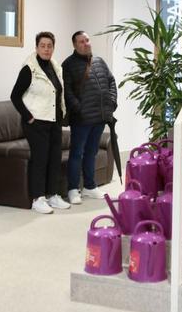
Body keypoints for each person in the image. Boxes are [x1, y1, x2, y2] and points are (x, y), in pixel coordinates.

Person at [10, 32, 70, 214]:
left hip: (54, 120)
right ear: (36, 48)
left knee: (54, 159)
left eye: (49, 45)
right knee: (40, 159)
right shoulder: (29, 69)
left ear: (53, 47)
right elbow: (15, 96)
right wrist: (29, 117)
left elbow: (58, 93)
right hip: (36, 122)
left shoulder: (55, 66)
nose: (46, 49)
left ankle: (52, 195)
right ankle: (38, 198)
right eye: (42, 45)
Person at [61, 31, 116, 204]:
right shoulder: (68, 64)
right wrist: (78, 108)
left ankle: (90, 187)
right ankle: (72, 189)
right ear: (75, 45)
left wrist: (112, 102)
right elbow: (67, 91)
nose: (86, 43)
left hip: (100, 117)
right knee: (77, 153)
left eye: (87, 40)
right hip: (81, 119)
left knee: (91, 153)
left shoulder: (99, 61)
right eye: (81, 41)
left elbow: (111, 81)